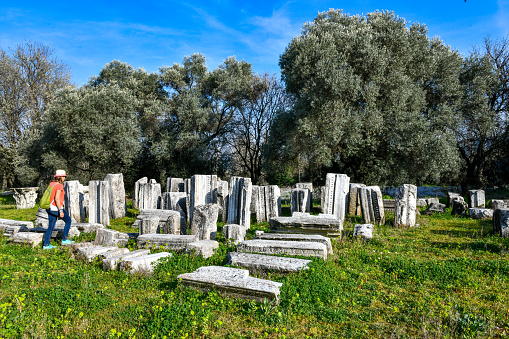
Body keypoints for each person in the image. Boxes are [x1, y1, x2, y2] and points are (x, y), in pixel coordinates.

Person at [42, 170, 74, 250]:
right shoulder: (59, 185)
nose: (64, 178)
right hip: (56, 208)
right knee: (68, 221)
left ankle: (46, 245)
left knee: (51, 226)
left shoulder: (52, 184)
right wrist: (60, 210)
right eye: (63, 176)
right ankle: (65, 239)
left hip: (49, 208)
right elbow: (57, 199)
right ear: (59, 177)